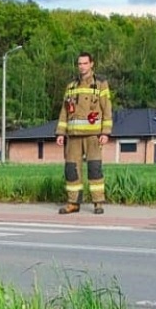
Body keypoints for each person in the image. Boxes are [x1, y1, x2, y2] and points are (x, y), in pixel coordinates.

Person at [55, 52, 112, 214]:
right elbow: (64, 111)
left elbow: (107, 109)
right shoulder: (71, 86)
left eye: (85, 63)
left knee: (95, 168)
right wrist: (60, 132)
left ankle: (98, 203)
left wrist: (105, 132)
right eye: (80, 64)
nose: (82, 66)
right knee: (71, 170)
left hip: (93, 135)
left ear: (91, 64)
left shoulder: (100, 84)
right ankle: (73, 203)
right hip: (73, 136)